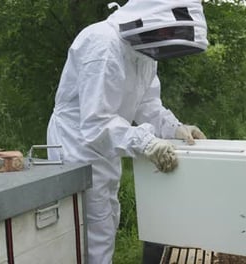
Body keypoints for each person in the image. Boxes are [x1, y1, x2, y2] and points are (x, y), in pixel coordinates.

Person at [46, 0, 209, 263]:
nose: (168, 37)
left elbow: (146, 104)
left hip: (106, 145)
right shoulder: (102, 44)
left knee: (107, 216)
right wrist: (146, 142)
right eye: (168, 30)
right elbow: (96, 121)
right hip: (76, 146)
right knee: (89, 226)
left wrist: (175, 128)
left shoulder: (143, 53)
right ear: (152, 15)